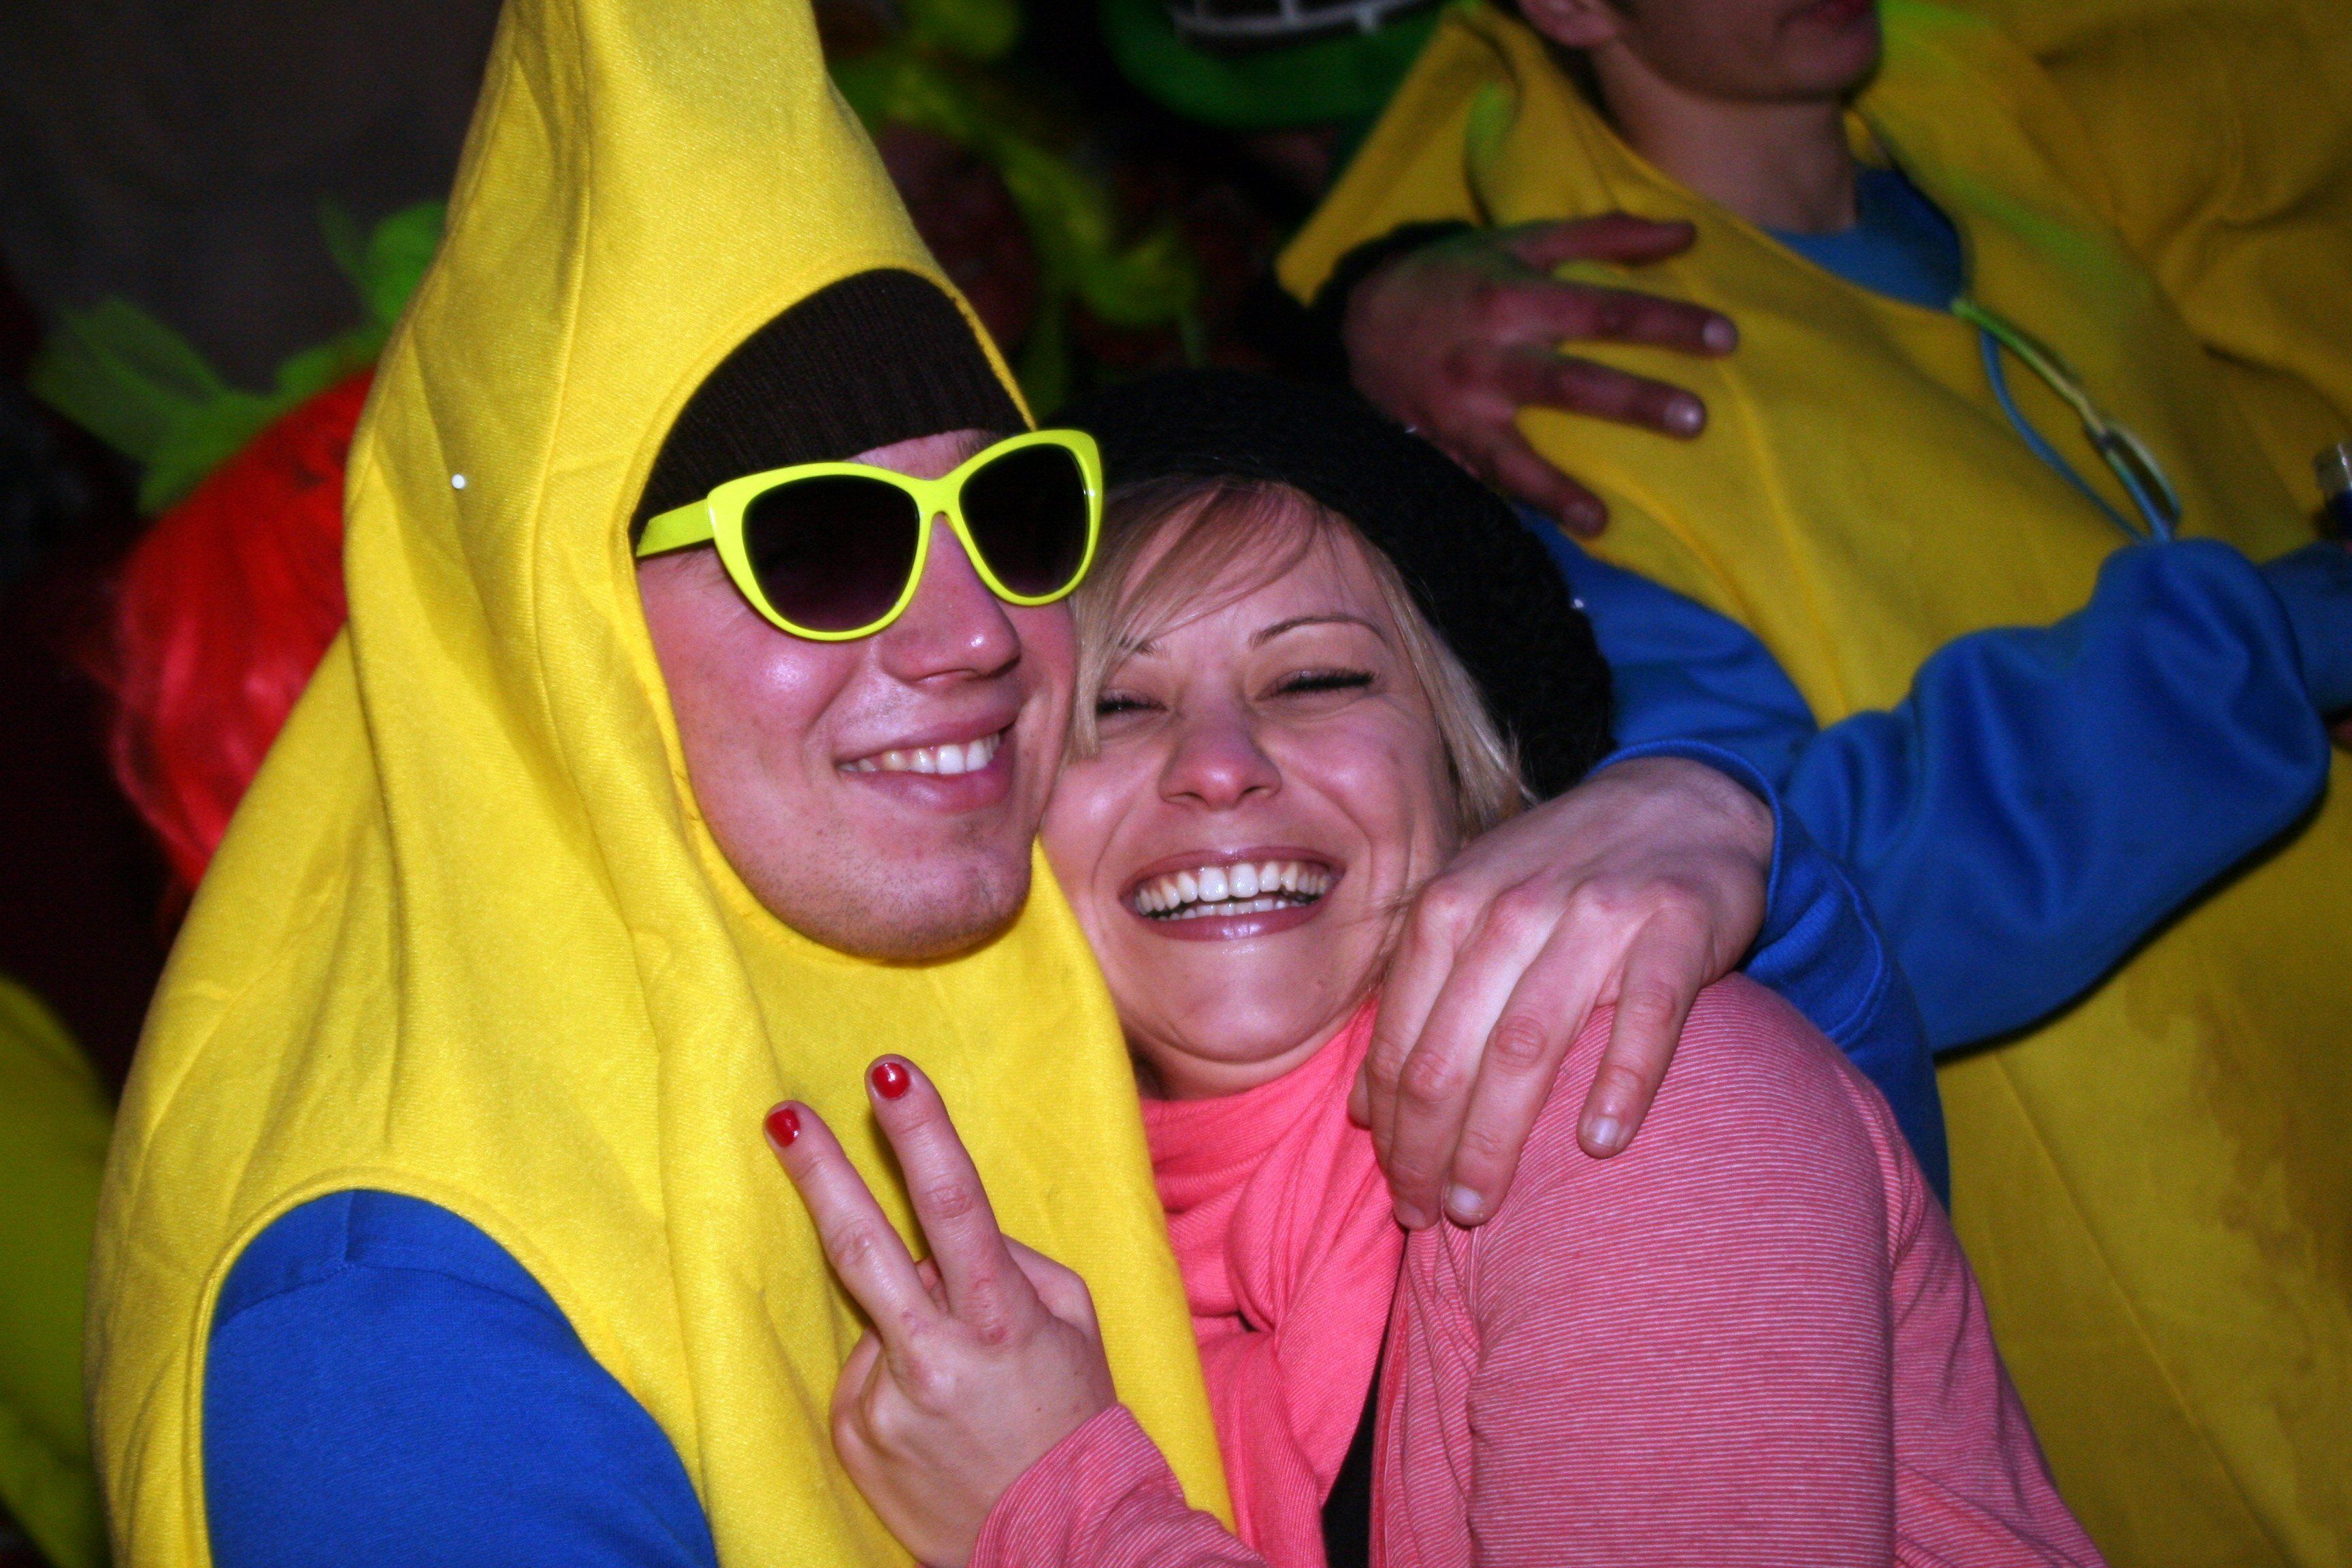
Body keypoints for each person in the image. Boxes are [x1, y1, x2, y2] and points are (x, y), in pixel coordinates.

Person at [84, 1, 1926, 1563]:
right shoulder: (399, 1332)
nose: (972, 632)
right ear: (551, 644)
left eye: (1013, 515)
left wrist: (1747, 860)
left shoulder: (1048, 1056)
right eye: (819, 545)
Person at [1277, 1, 2352, 1559]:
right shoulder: (1554, 388)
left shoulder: (2000, 131)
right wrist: (2289, 632)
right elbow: (1776, 880)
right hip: (2208, 1297)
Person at [770, 370, 2103, 1567]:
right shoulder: (1030, 1262)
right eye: (1116, 706)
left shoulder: (1627, 1096)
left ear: (1471, 777)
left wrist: (1058, 1512)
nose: (1219, 765)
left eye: (1316, 681)